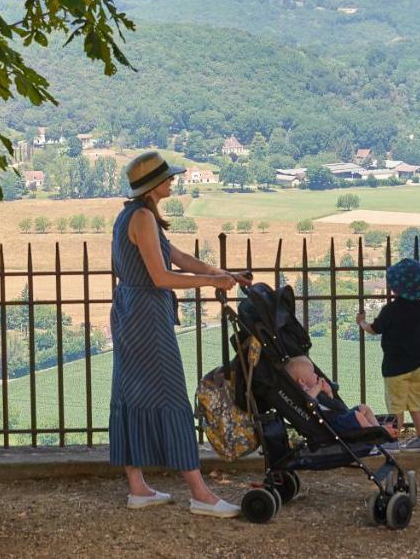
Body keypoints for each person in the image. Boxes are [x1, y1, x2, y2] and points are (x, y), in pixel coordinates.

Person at [109, 151, 250, 517]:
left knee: (129, 391)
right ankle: (200, 494)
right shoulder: (141, 217)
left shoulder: (136, 215)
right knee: (171, 394)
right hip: (146, 315)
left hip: (131, 311)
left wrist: (224, 274)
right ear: (153, 185)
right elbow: (162, 277)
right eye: (168, 178)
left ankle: (138, 488)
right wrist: (211, 281)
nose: (173, 181)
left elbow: (180, 258)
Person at [356, 258, 420, 452]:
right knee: (415, 403)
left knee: (396, 406)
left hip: (396, 367)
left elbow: (375, 329)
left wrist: (362, 323)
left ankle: (392, 441)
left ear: (394, 287)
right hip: (418, 365)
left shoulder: (391, 310)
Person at [283, 356, 398, 437]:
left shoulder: (313, 390)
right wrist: (318, 387)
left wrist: (329, 393)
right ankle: (378, 433)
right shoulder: (305, 394)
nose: (316, 375)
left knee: (363, 408)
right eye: (313, 374)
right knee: (357, 415)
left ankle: (378, 430)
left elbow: (330, 405)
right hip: (333, 425)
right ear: (302, 381)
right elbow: (308, 400)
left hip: (339, 416)